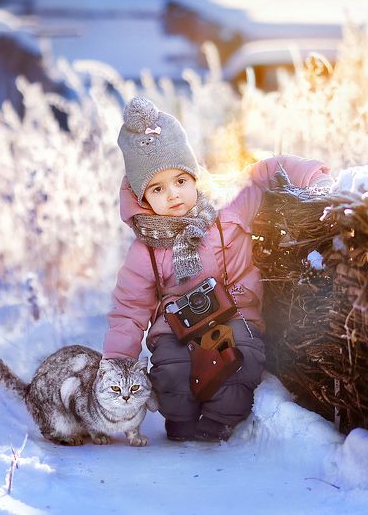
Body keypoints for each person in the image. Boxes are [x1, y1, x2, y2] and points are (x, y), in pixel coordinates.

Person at [102, 97, 332, 442]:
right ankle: (181, 421)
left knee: (239, 360)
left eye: (181, 181)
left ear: (194, 176)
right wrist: (118, 361)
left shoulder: (228, 209)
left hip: (235, 313)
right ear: (142, 198)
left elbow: (266, 173)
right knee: (172, 370)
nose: (173, 195)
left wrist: (313, 176)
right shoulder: (146, 248)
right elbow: (130, 308)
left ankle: (220, 421)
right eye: (158, 189)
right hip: (176, 326)